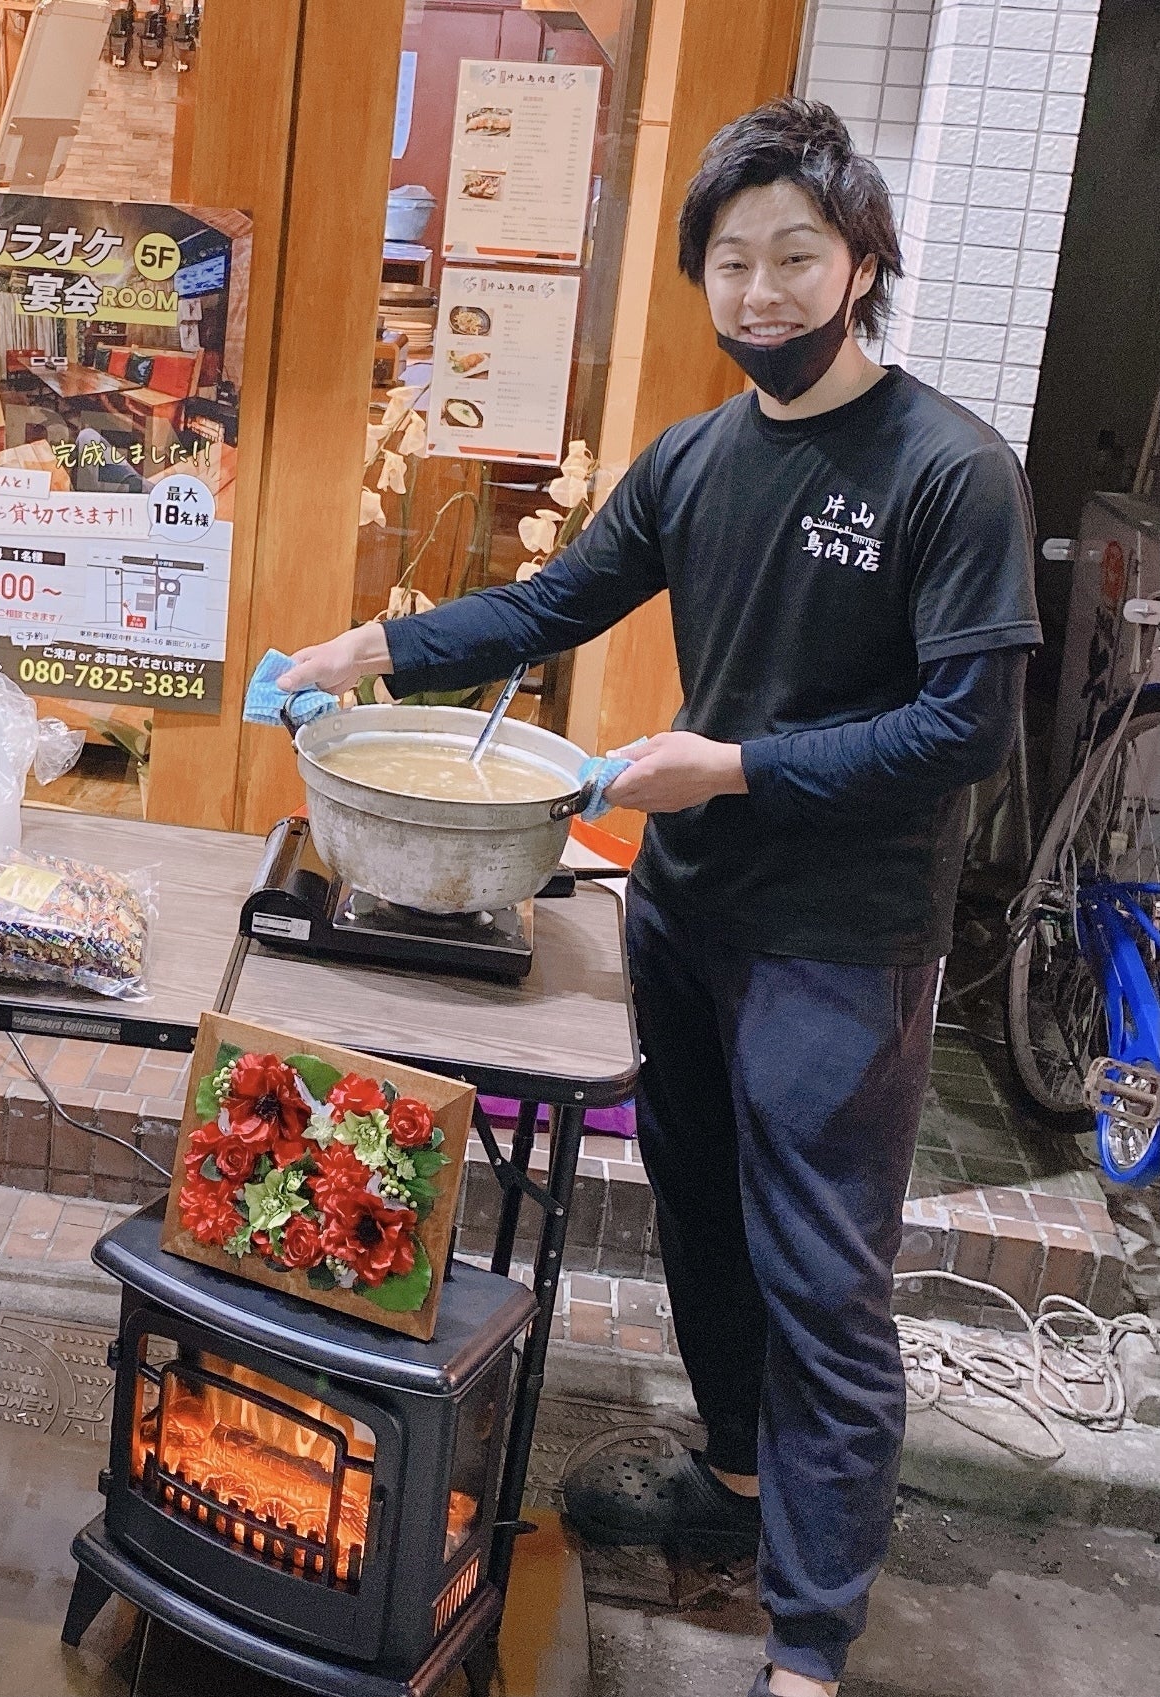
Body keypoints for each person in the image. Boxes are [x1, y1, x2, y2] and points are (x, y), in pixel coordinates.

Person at [279, 100, 1038, 1697]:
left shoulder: (951, 471)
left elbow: (966, 728)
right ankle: (738, 1482)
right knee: (698, 1210)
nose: (761, 292)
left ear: (861, 263)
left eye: (795, 257)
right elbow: (557, 600)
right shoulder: (696, 458)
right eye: (731, 262)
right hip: (684, 911)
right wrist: (371, 648)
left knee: (821, 1274)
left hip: (841, 939)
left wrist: (734, 767)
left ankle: (809, 1643)